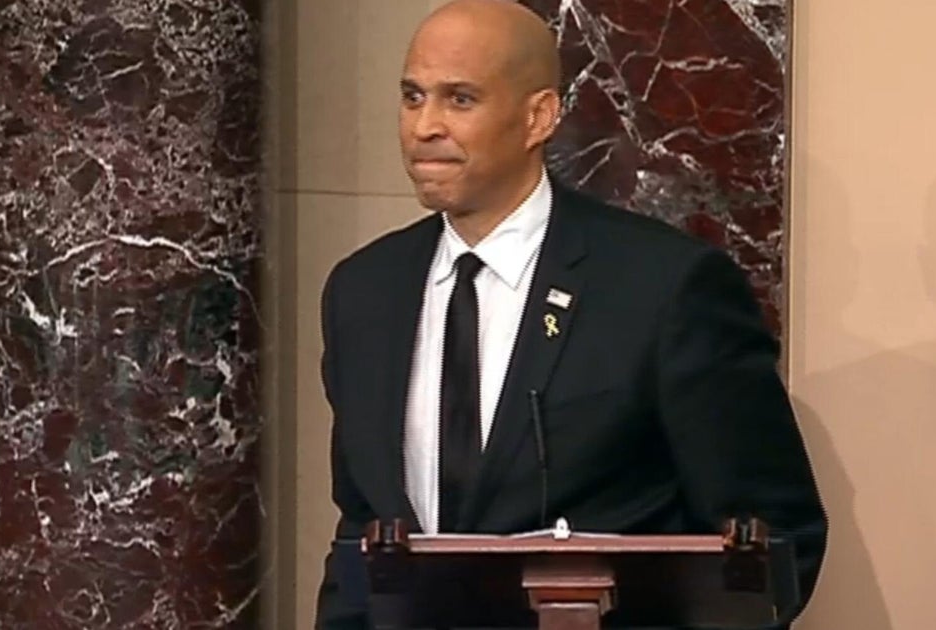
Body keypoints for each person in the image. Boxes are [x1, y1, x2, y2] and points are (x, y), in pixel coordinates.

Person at [314, 0, 827, 628]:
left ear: (539, 116)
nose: (425, 127)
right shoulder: (363, 292)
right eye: (412, 97)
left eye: (460, 99)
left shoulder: (663, 286)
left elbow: (774, 542)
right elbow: (362, 536)